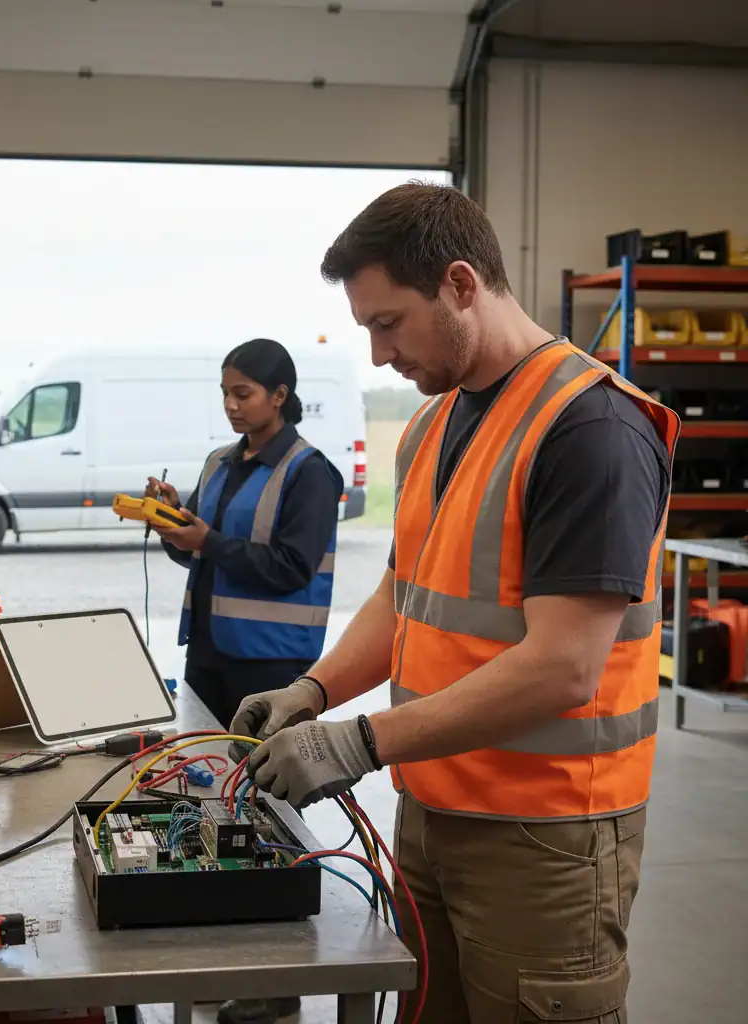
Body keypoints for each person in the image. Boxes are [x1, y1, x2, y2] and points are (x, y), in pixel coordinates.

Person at [230, 184, 678, 1024]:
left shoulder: (591, 432)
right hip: (432, 814)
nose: (376, 355)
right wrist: (315, 692)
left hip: (544, 840)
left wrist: (356, 743)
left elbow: (563, 668)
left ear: (462, 285)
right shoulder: (433, 426)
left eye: (388, 323)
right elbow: (407, 593)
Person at [147, 337, 342, 1024]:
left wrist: (209, 544)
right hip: (209, 655)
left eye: (244, 394)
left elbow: (290, 565)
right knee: (212, 807)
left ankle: (275, 986)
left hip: (271, 666)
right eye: (225, 393)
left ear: (280, 396)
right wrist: (176, 525)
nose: (231, 406)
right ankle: (221, 961)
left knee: (271, 816)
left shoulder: (312, 473)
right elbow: (202, 557)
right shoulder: (219, 464)